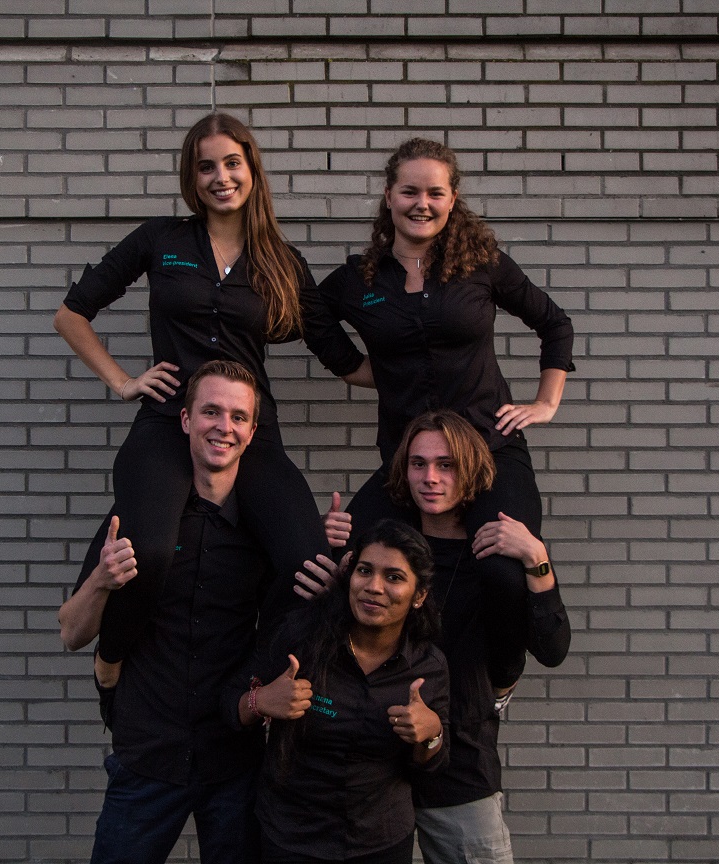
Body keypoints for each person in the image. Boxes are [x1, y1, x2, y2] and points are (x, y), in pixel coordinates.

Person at [54, 113, 344, 692]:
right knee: (149, 551)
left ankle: (258, 685)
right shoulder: (160, 239)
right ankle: (112, 656)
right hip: (167, 423)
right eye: (205, 166)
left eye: (232, 163)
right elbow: (71, 315)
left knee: (310, 567)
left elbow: (339, 354)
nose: (220, 177)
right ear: (192, 177)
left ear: (252, 169)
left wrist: (421, 368)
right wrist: (123, 381)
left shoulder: (282, 261)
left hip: (248, 433)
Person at [302, 137, 575, 690]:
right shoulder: (359, 279)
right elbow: (311, 318)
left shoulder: (482, 266)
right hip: (410, 464)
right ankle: (357, 686)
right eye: (409, 192)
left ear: (452, 199)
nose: (421, 204)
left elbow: (554, 323)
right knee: (340, 562)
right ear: (388, 197)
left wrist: (546, 403)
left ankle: (500, 682)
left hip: (491, 452)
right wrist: (360, 370)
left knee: (502, 571)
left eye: (434, 192)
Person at [58, 360, 292, 864]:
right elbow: (71, 632)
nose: (223, 427)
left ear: (252, 432)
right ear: (185, 420)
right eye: (210, 412)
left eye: (237, 416)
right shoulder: (140, 520)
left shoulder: (266, 532)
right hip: (147, 756)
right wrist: (101, 580)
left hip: (232, 760)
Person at [319, 410, 570, 864]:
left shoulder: (494, 557)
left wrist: (536, 556)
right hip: (374, 765)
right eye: (419, 464)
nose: (430, 478)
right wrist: (332, 559)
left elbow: (553, 649)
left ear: (470, 468)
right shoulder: (382, 551)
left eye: (446, 465)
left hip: (461, 762)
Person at [230, 519, 451, 864]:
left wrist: (431, 733)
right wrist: (260, 701)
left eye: (394, 577)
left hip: (380, 842)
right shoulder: (299, 639)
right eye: (365, 571)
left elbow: (433, 765)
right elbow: (229, 704)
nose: (373, 587)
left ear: (419, 595)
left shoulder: (428, 666)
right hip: (291, 839)